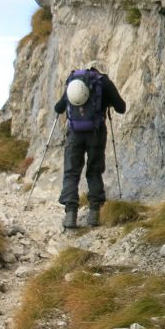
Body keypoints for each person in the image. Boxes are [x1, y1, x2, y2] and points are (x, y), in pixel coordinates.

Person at [54, 60, 126, 228]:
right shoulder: (104, 81)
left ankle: (70, 215)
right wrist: (105, 102)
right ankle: (94, 213)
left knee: (71, 172)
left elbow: (59, 107)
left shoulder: (74, 80)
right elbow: (121, 107)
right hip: (96, 133)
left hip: (74, 135)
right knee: (94, 171)